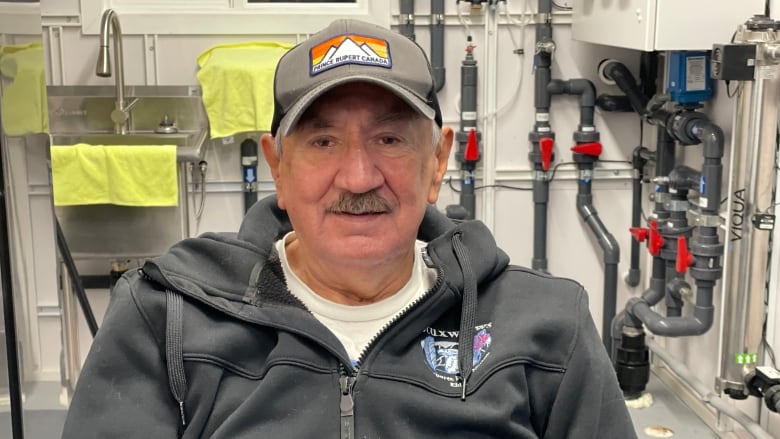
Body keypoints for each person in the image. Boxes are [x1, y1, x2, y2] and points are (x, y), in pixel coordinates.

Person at [62, 18, 636, 438]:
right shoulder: (166, 318)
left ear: (437, 163)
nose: (359, 177)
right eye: (322, 141)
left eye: (389, 139)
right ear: (278, 168)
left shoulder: (548, 328)